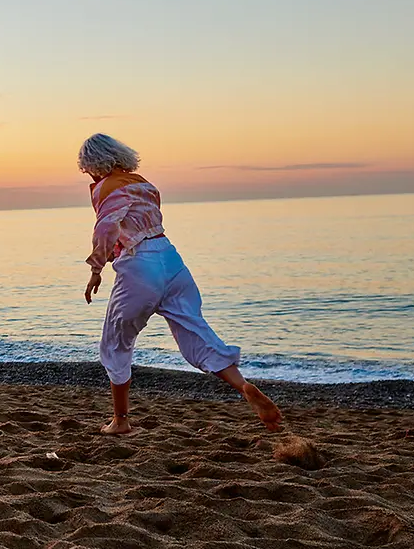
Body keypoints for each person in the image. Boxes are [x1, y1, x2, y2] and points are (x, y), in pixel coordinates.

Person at [78, 134, 282, 434]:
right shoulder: (144, 183)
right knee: (196, 333)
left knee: (115, 344)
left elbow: (106, 228)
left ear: (93, 163)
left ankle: (120, 421)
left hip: (140, 267)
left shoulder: (107, 186)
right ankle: (243, 386)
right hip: (171, 261)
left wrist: (96, 268)